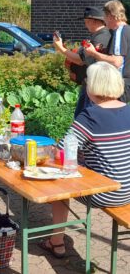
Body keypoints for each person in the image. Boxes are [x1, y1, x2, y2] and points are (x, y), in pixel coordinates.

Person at [40, 62, 130, 259]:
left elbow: (61, 152)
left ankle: (56, 242)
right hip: (128, 190)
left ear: (94, 86)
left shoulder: (90, 116)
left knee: (60, 181)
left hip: (105, 193)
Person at [53, 6, 112, 116]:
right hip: (91, 84)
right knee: (82, 115)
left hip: (95, 86)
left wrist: (61, 48)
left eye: (86, 21)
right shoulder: (99, 36)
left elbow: (80, 60)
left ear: (93, 21)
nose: (85, 24)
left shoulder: (101, 37)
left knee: (85, 117)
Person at [85, 0, 130, 103]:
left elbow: (117, 62)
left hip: (121, 84)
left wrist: (93, 53)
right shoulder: (128, 30)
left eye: (104, 17)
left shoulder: (120, 32)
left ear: (110, 15)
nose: (104, 21)